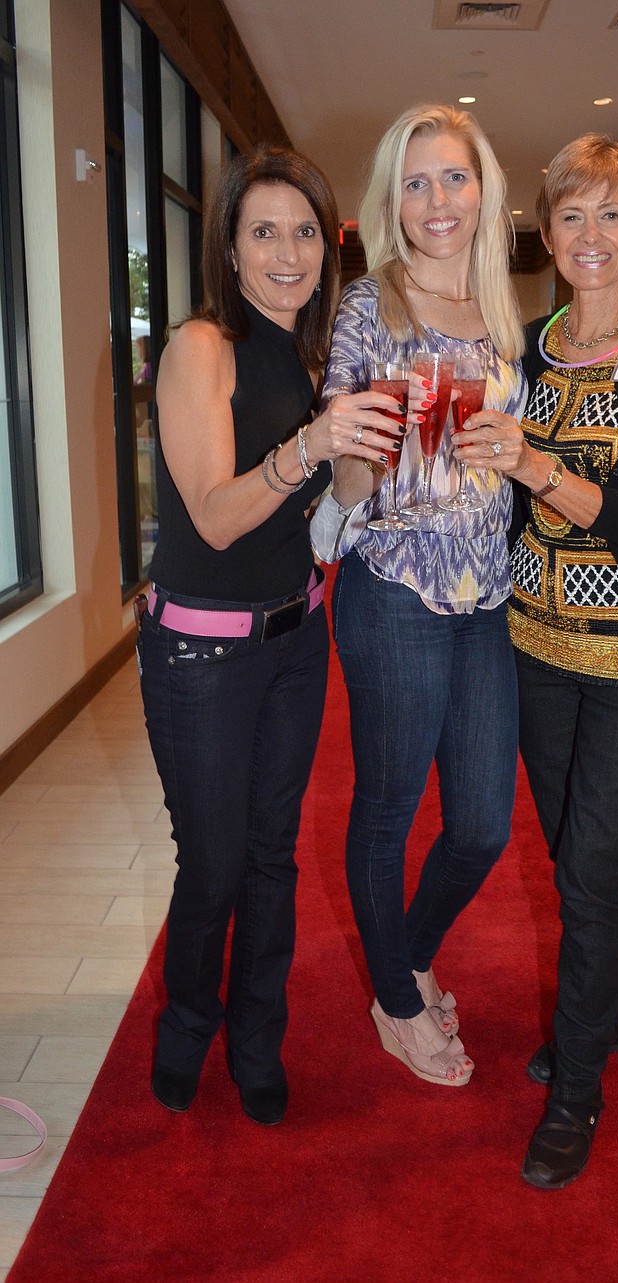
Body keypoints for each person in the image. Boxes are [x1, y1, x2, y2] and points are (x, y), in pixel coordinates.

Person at [456, 134, 618, 1182]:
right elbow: (491, 492)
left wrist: (534, 464)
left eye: (611, 215)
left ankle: (576, 1089)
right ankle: (604, 1008)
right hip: (534, 641)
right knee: (570, 850)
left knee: (591, 865)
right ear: (547, 233)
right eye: (571, 216)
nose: (591, 236)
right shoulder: (522, 348)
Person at [139, 147, 404, 1124]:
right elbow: (211, 516)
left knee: (271, 854)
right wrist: (310, 446)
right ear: (231, 247)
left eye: (304, 231)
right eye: (265, 232)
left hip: (297, 639)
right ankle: (186, 1026)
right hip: (200, 654)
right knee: (211, 859)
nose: (287, 252)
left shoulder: (314, 355)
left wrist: (371, 443)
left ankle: (257, 1034)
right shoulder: (200, 345)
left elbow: (334, 503)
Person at [311, 104, 526, 1086]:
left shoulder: (501, 308)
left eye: (454, 176)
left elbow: (506, 462)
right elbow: (347, 484)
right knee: (390, 806)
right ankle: (397, 1002)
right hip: (393, 584)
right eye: (415, 180)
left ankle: (405, 950)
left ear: (483, 188)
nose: (437, 199)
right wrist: (368, 446)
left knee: (483, 819)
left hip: (487, 596)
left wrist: (515, 455)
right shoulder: (369, 304)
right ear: (391, 198)